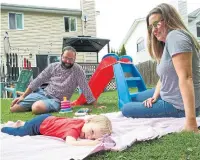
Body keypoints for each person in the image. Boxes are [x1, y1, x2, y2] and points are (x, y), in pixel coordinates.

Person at [121, 3, 200, 133]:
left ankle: (186, 113)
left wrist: (191, 122)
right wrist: (155, 96)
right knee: (136, 97)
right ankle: (157, 97)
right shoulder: (167, 44)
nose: (154, 30)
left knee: (126, 108)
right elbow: (163, 78)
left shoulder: (176, 37)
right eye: (151, 27)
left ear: (169, 19)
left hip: (178, 105)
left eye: (156, 23)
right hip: (167, 94)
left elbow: (186, 77)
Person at [10, 46, 98, 114]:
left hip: (57, 100)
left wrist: (95, 105)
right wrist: (24, 96)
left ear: (75, 59)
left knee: (36, 108)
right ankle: (33, 100)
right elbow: (38, 80)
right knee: (14, 108)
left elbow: (85, 88)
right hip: (43, 94)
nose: (67, 61)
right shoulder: (53, 66)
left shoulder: (78, 70)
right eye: (65, 57)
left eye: (71, 59)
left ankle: (36, 103)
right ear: (61, 56)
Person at [1, 114, 112, 146]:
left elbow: (88, 118)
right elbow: (71, 142)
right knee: (20, 132)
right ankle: (4, 128)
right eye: (91, 132)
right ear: (89, 121)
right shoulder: (74, 130)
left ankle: (22, 122)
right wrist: (92, 143)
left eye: (93, 137)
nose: (88, 137)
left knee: (27, 124)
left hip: (48, 118)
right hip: (38, 125)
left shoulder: (83, 122)